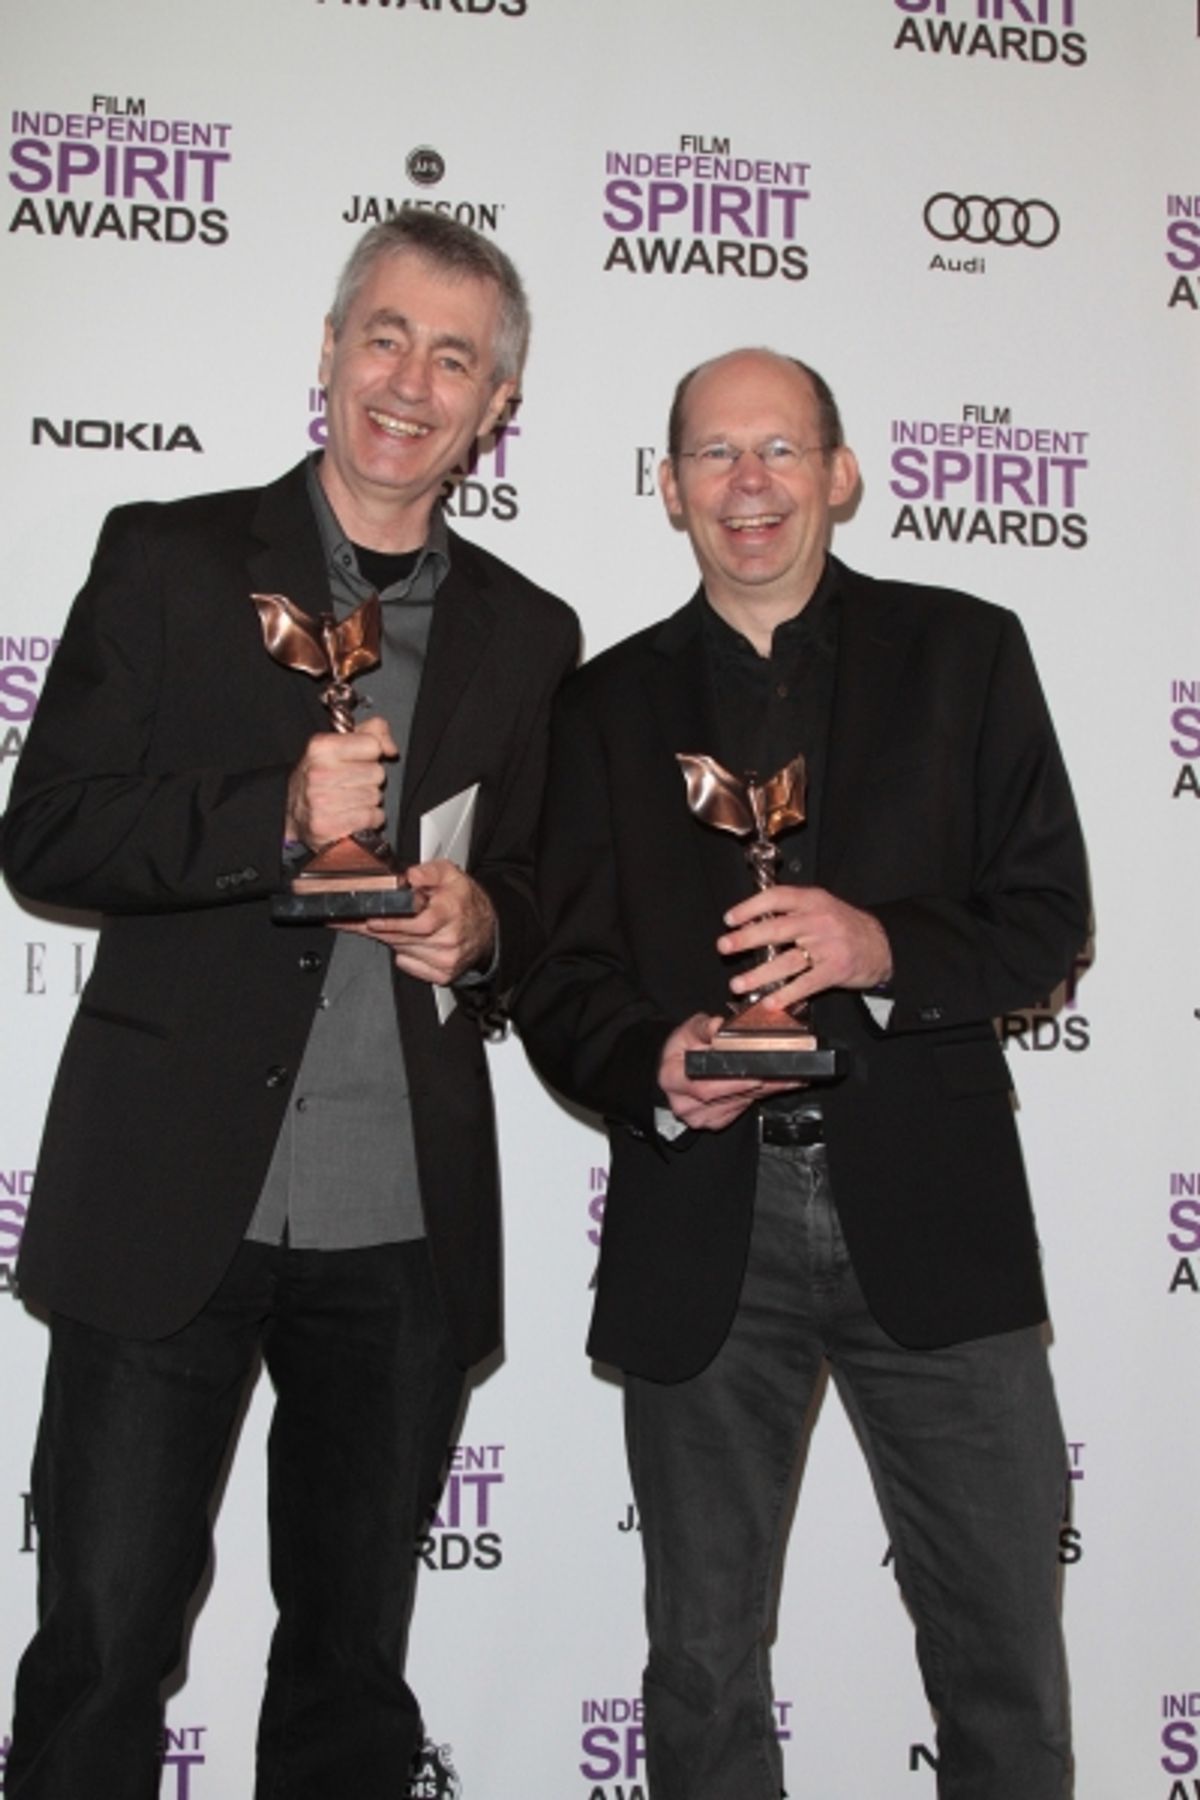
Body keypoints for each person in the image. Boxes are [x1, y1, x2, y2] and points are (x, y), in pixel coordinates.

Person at [1, 211, 578, 1799]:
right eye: (384, 336)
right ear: (327, 354)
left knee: (347, 1679)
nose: (411, 380)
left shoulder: (532, 636)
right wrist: (273, 812)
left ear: (494, 406)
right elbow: (44, 833)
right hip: (167, 1203)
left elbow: (542, 908)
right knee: (101, 1656)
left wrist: (484, 925)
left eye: (455, 358)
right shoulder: (171, 558)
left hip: (397, 1235)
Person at [515, 348, 1087, 1799]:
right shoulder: (602, 710)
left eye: (779, 450)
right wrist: (657, 1057)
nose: (748, 484)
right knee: (701, 1670)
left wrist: (878, 944)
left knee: (1003, 1659)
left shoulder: (969, 652)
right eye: (713, 454)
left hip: (936, 1210)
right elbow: (555, 980)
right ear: (668, 488)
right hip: (707, 1220)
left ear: (840, 473)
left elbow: (1047, 919)